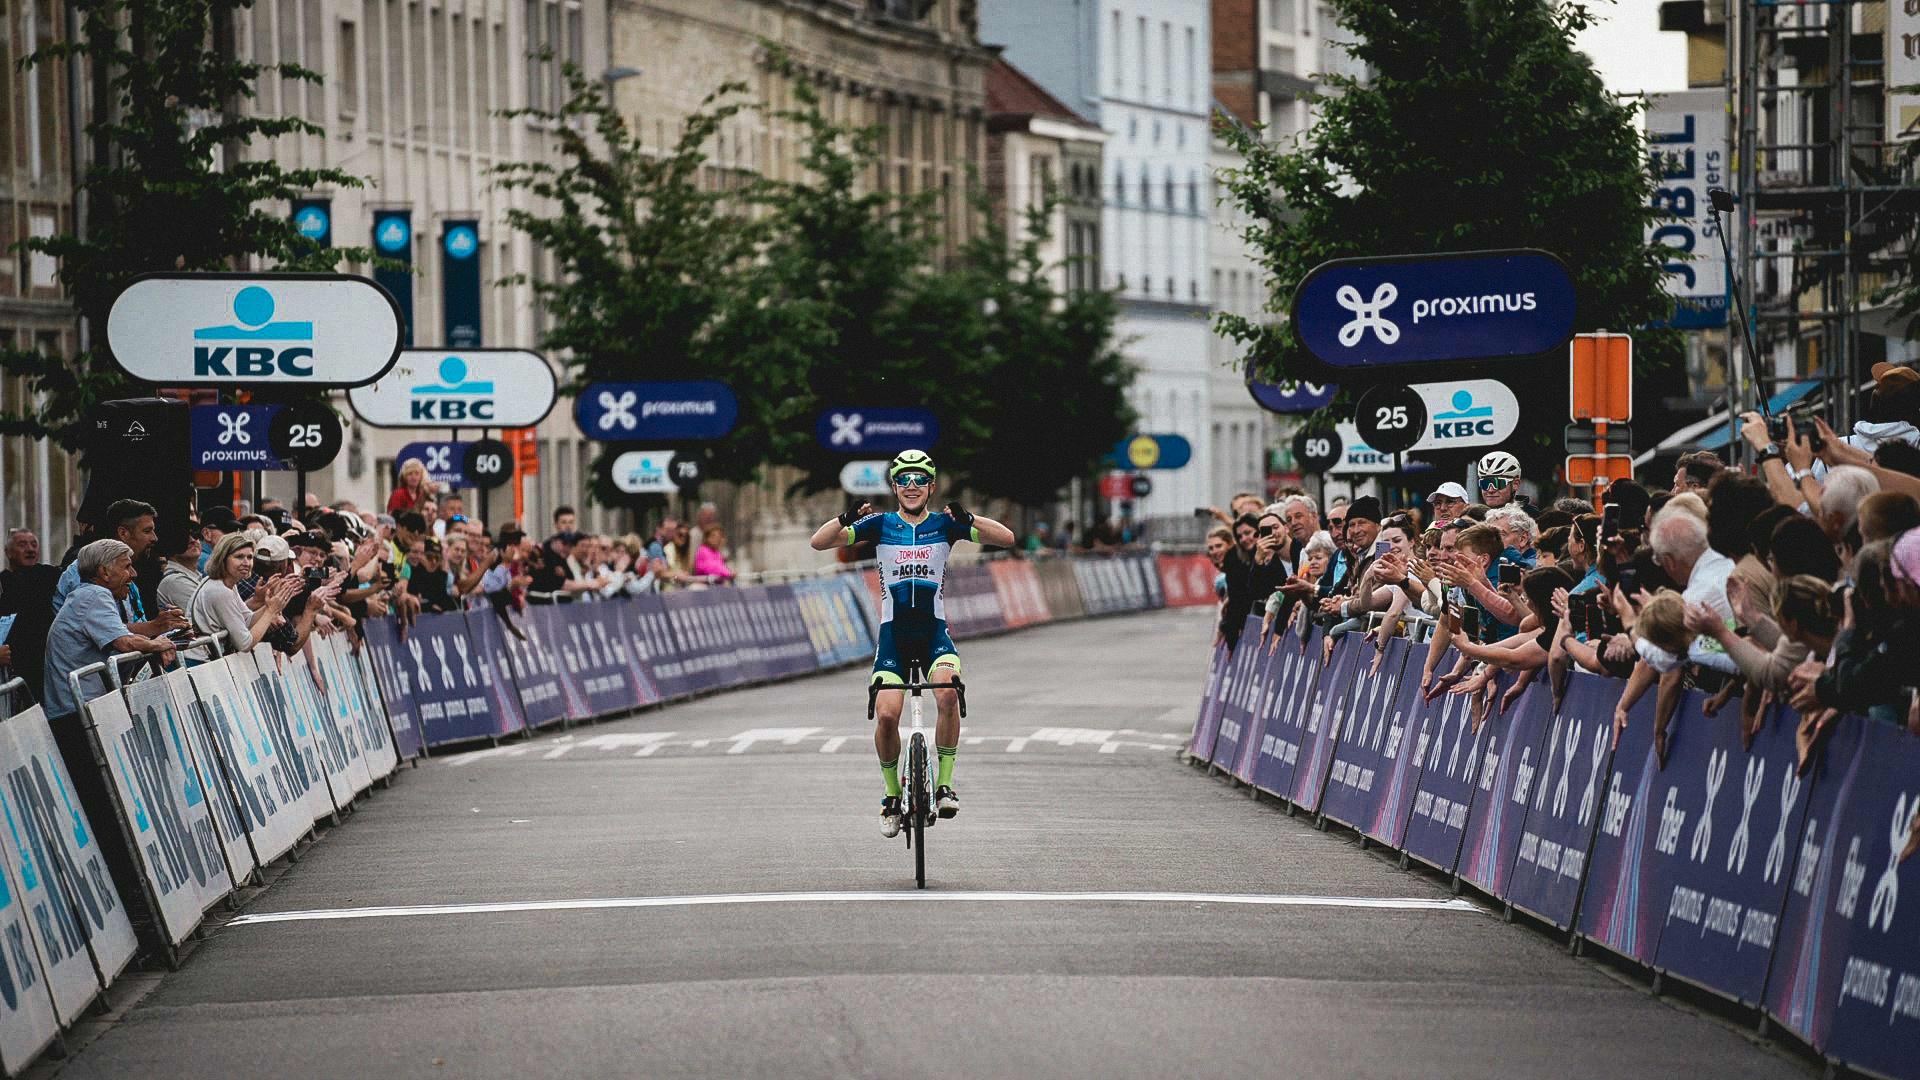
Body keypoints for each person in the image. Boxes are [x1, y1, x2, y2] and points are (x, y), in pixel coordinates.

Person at [808, 449, 1014, 837]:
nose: (912, 486)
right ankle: (890, 796)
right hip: (894, 641)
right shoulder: (880, 524)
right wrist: (846, 519)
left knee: (949, 693)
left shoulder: (944, 525)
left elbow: (1006, 538)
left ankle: (945, 785)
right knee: (887, 715)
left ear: (932, 486)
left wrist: (969, 519)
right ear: (894, 485)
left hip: (934, 635)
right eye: (904, 479)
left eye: (921, 479)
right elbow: (819, 544)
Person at [191, 533, 297, 652]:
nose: (246, 563)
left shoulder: (228, 584)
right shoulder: (220, 590)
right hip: (199, 661)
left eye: (250, 557)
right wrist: (271, 611)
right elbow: (244, 644)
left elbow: (247, 620)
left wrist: (271, 604)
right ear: (223, 558)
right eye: (239, 557)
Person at [0, 529, 60, 703]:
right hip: (14, 663)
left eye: (34, 544)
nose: (30, 549)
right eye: (22, 544)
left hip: (45, 661)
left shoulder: (49, 576)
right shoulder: (3, 584)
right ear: (7, 552)